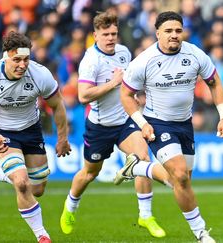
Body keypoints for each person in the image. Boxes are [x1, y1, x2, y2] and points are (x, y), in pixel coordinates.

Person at [117, 11, 223, 243]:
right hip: (157, 123)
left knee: (180, 181)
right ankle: (201, 233)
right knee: (179, 175)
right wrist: (143, 123)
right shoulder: (144, 61)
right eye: (168, 31)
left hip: (185, 124)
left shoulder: (195, 54)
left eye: (178, 31)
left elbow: (214, 82)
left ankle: (137, 169)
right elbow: (126, 95)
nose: (174, 35)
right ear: (157, 33)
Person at [59, 11, 170, 238]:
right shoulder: (90, 61)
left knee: (144, 159)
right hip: (100, 126)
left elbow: (128, 83)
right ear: (95, 35)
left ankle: (146, 215)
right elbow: (83, 96)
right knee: (89, 174)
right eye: (106, 34)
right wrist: (113, 83)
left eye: (114, 34)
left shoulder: (123, 52)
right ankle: (70, 208)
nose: (111, 38)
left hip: (125, 121)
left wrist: (132, 94)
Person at [0, 31, 71, 243]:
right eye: (16, 59)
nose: (22, 65)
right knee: (22, 183)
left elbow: (57, 105)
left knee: (37, 189)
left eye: (26, 59)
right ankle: (42, 235)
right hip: (4, 134)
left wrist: (62, 138)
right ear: (5, 57)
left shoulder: (40, 74)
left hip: (32, 131)